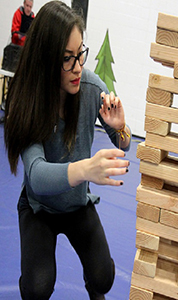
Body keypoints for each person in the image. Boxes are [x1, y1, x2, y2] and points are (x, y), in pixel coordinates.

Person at [4, 1, 131, 299]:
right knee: (37, 288)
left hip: (76, 205)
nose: (78, 67)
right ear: (46, 60)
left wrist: (122, 128)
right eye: (66, 59)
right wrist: (86, 169)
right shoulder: (28, 99)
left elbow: (123, 141)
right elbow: (35, 175)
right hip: (39, 208)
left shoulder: (89, 86)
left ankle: (95, 287)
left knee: (103, 279)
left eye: (80, 55)